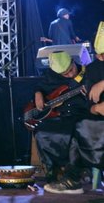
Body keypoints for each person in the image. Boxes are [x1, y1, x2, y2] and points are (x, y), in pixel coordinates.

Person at [44, 23, 104, 194]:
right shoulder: (93, 69)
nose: (101, 58)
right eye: (99, 54)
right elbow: (92, 107)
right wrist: (97, 107)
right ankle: (72, 179)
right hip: (99, 122)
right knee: (82, 126)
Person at [33, 51, 88, 183]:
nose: (70, 74)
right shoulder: (51, 75)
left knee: (76, 133)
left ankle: (73, 172)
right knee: (41, 131)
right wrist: (38, 93)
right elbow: (39, 86)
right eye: (65, 74)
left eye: (71, 70)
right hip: (60, 115)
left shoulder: (86, 73)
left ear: (73, 62)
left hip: (80, 114)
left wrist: (89, 95)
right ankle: (51, 169)